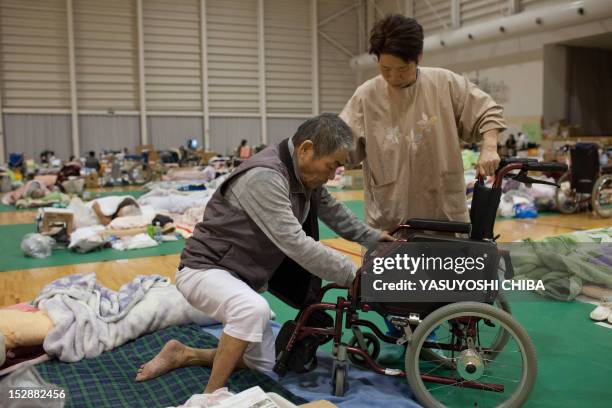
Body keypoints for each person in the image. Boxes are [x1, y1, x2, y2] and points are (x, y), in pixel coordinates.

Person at [134, 113, 394, 392]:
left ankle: (184, 353)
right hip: (203, 270)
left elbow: (333, 212)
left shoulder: (303, 175)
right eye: (332, 166)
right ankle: (210, 396)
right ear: (306, 149)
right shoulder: (265, 177)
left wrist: (374, 239)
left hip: (239, 277)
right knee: (253, 310)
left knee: (262, 362)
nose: (332, 176)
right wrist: (352, 275)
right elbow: (295, 242)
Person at [340, 14, 505, 362]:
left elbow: (487, 110)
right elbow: (345, 146)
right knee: (392, 288)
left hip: (441, 209)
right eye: (385, 69)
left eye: (400, 69)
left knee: (442, 286)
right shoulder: (366, 95)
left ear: (419, 59)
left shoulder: (445, 84)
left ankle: (429, 332)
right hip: (391, 212)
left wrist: (489, 145)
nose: (392, 77)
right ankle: (404, 328)